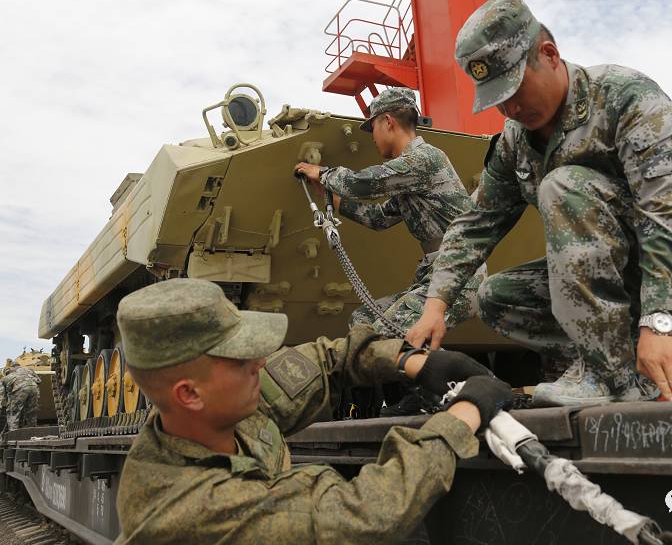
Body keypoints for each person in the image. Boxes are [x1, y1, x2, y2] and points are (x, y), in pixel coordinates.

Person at [406, 0, 672, 406]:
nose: (510, 107)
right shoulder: (516, 142)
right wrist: (435, 304)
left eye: (514, 88)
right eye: (497, 100)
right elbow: (477, 223)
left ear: (549, 54)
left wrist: (659, 324)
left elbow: (670, 214)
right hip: (620, 269)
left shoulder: (627, 98)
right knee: (496, 297)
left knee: (563, 185)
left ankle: (609, 371)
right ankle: (608, 367)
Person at [115, 278, 512, 544]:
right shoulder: (192, 509)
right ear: (189, 394)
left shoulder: (210, 418)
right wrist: (463, 414)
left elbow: (323, 361)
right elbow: (365, 514)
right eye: (240, 359)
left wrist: (410, 361)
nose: (261, 363)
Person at [295, 87, 486, 415]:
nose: (372, 138)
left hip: (458, 273)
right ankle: (409, 397)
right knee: (364, 321)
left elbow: (361, 183)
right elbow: (378, 218)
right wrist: (328, 195)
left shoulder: (423, 159)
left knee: (386, 333)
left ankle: (438, 397)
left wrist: (321, 173)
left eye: (373, 128)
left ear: (388, 122)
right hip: (436, 273)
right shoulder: (410, 175)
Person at [2, 363, 41, 430]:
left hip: (20, 390)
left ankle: (13, 432)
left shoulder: (7, 377)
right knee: (31, 412)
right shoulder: (29, 370)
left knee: (13, 412)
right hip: (34, 389)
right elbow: (39, 381)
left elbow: (5, 394)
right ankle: (32, 431)